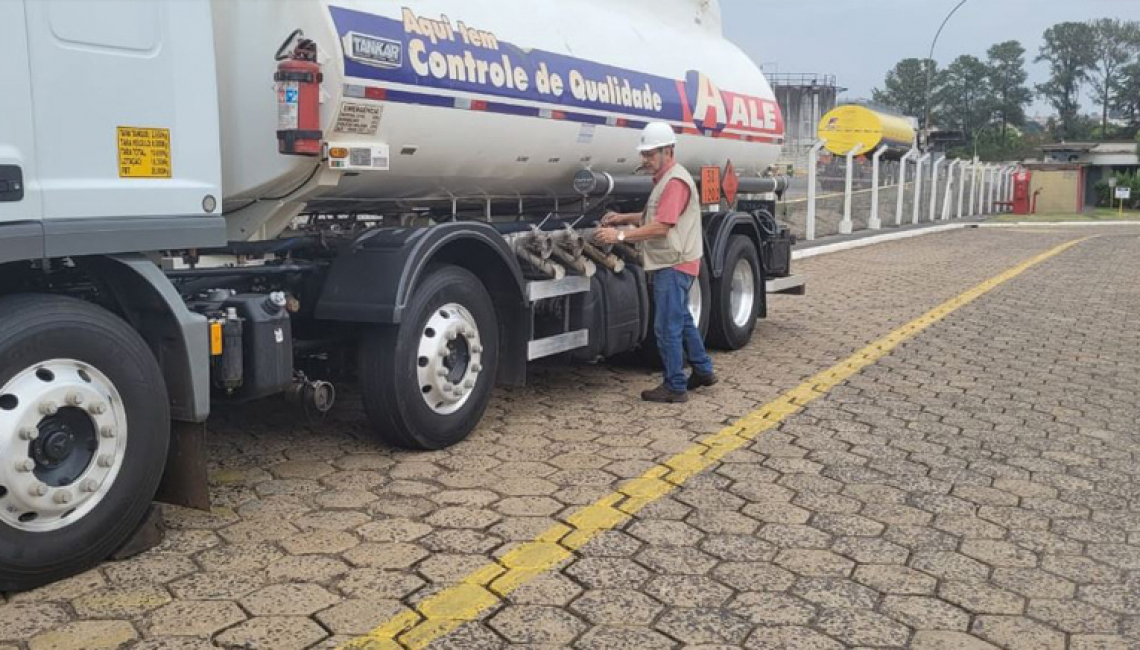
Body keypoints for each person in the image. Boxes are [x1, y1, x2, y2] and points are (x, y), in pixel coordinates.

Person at [595, 122, 717, 403]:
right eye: (644, 154)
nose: (645, 160)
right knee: (683, 319)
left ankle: (675, 386)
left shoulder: (674, 182)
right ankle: (703, 370)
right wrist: (623, 217)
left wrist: (619, 235)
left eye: (651, 154)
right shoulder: (668, 180)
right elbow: (654, 214)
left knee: (666, 327)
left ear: (668, 151)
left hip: (672, 264)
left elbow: (662, 226)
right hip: (679, 261)